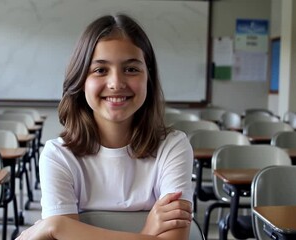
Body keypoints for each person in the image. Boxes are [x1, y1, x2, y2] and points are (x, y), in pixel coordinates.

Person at [16, 14, 193, 240]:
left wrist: (60, 227)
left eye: (131, 69)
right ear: (81, 80)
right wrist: (148, 233)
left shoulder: (173, 147)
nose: (116, 83)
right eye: (100, 70)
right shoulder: (58, 155)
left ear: (148, 75)